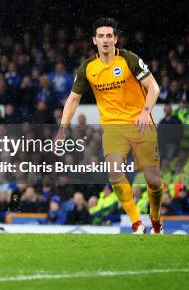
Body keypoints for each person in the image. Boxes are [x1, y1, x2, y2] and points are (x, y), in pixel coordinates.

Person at [56, 18, 164, 234]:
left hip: (140, 123)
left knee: (153, 181)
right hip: (113, 128)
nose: (105, 40)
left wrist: (145, 112)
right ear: (94, 40)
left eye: (109, 36)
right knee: (115, 174)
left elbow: (154, 87)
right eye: (101, 36)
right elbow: (73, 99)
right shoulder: (88, 68)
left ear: (115, 39)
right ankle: (136, 223)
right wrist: (62, 128)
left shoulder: (129, 59)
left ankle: (155, 220)